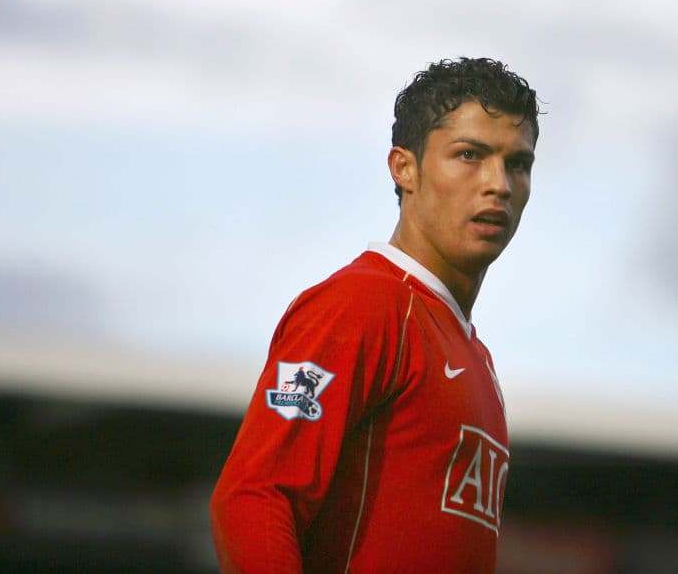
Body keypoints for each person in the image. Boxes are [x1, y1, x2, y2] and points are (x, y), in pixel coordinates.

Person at [210, 57, 540, 573]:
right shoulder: (362, 306)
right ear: (403, 168)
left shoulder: (475, 355)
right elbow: (254, 495)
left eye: (518, 164)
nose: (498, 183)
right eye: (470, 155)